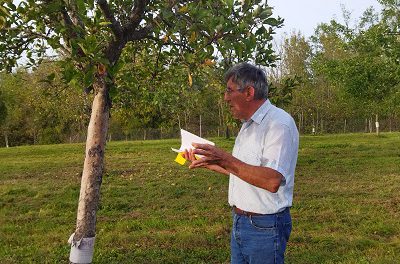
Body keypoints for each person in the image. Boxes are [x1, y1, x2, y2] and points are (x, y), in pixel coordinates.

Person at [183, 62, 299, 264]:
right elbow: (246, 172)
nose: (225, 98)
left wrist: (226, 159)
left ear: (249, 92)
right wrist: (213, 163)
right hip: (241, 222)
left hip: (265, 226)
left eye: (229, 91)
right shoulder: (248, 125)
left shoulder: (278, 125)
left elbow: (271, 180)